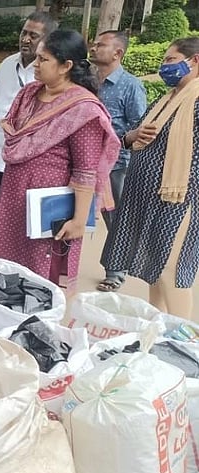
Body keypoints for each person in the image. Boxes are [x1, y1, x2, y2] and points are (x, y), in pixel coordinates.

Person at [0, 30, 120, 292]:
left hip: (48, 211)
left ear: (66, 66)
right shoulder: (28, 95)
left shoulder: (82, 110)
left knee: (37, 279)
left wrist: (79, 221)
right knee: (3, 271)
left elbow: (85, 171)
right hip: (13, 199)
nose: (35, 65)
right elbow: (14, 137)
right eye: (36, 58)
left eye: (43, 60)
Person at [106, 37, 199, 318]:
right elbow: (133, 133)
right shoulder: (165, 100)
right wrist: (132, 136)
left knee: (171, 269)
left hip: (180, 200)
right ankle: (157, 331)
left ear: (194, 61)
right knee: (154, 267)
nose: (164, 66)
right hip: (150, 198)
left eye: (170, 60)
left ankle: (185, 340)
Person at [0, 11, 55, 245]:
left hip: (23, 169)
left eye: (34, 35)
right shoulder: (8, 64)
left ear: (48, 40)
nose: (26, 39)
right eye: (24, 33)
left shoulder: (50, 74)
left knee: (15, 234)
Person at [89, 30, 147, 293]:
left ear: (118, 53)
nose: (94, 47)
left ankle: (115, 272)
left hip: (116, 165)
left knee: (116, 219)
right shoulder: (87, 80)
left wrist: (120, 142)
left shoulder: (131, 85)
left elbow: (139, 127)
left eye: (101, 44)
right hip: (85, 162)